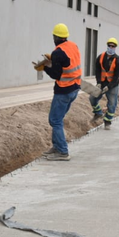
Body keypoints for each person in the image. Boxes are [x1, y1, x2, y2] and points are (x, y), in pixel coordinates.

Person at [42, 23, 81, 161]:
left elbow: (56, 75)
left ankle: (63, 151)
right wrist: (53, 61)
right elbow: (67, 64)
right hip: (75, 88)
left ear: (55, 37)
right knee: (58, 119)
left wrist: (45, 66)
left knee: (55, 120)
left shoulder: (57, 52)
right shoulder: (73, 46)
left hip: (63, 90)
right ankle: (57, 147)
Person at [90, 37, 119, 130]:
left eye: (113, 46)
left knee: (112, 104)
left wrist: (109, 86)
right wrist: (99, 82)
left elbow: (116, 77)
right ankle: (98, 113)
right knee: (92, 98)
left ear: (115, 47)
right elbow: (97, 71)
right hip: (102, 83)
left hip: (112, 85)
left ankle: (107, 121)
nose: (111, 47)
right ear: (107, 46)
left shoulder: (117, 60)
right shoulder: (100, 57)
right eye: (109, 46)